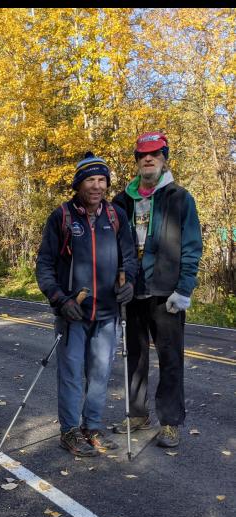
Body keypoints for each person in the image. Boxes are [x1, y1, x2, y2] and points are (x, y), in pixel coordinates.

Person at [36, 152, 138, 457]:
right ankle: (69, 431)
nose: (96, 186)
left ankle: (91, 427)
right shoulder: (62, 217)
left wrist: (129, 282)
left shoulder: (116, 216)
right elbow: (44, 265)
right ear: (79, 184)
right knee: (70, 374)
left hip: (107, 313)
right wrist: (58, 298)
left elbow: (130, 258)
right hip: (74, 313)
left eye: (101, 180)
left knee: (100, 374)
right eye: (90, 180)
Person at [111, 132, 203, 448]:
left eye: (154, 154)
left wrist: (184, 288)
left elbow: (191, 247)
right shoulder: (122, 201)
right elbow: (111, 246)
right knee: (134, 356)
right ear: (136, 161)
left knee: (170, 358)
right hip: (132, 291)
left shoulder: (180, 198)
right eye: (142, 155)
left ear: (164, 158)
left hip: (167, 294)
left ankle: (170, 422)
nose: (147, 159)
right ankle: (137, 416)